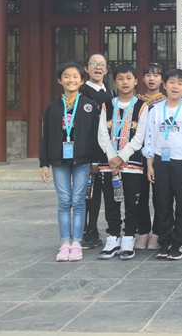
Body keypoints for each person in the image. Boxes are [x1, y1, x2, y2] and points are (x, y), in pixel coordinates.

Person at [143, 69, 182, 260]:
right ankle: (166, 239)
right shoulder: (155, 109)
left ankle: (180, 241)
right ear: (164, 85)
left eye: (180, 83)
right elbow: (149, 137)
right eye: (171, 82)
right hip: (160, 161)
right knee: (162, 201)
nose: (175, 86)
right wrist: (150, 165)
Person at [40, 62, 100, 261]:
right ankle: (65, 242)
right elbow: (46, 136)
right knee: (64, 201)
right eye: (66, 76)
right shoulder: (53, 107)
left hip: (82, 159)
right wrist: (44, 163)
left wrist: (95, 161)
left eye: (75, 77)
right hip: (59, 160)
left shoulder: (89, 106)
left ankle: (77, 243)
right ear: (60, 80)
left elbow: (95, 136)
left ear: (82, 81)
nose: (71, 80)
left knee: (78, 201)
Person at [97, 64, 148, 260]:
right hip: (109, 164)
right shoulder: (106, 106)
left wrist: (121, 157)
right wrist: (113, 159)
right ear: (114, 82)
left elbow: (140, 137)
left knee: (131, 202)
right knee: (111, 201)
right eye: (120, 78)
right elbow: (102, 134)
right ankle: (113, 237)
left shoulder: (142, 106)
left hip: (132, 164)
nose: (125, 82)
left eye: (128, 78)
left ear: (136, 81)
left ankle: (128, 237)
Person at [79, 53, 114, 250]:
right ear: (87, 68)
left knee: (103, 192)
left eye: (101, 64)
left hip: (107, 151)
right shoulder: (81, 92)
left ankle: (97, 229)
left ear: (106, 70)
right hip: (88, 150)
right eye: (93, 64)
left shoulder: (110, 94)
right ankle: (86, 230)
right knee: (88, 193)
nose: (98, 67)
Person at [135, 63, 166, 251]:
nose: (152, 78)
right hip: (139, 154)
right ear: (143, 79)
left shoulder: (167, 102)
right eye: (148, 75)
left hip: (160, 154)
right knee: (140, 194)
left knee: (160, 195)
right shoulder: (137, 102)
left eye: (156, 75)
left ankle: (158, 232)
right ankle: (143, 232)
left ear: (162, 80)